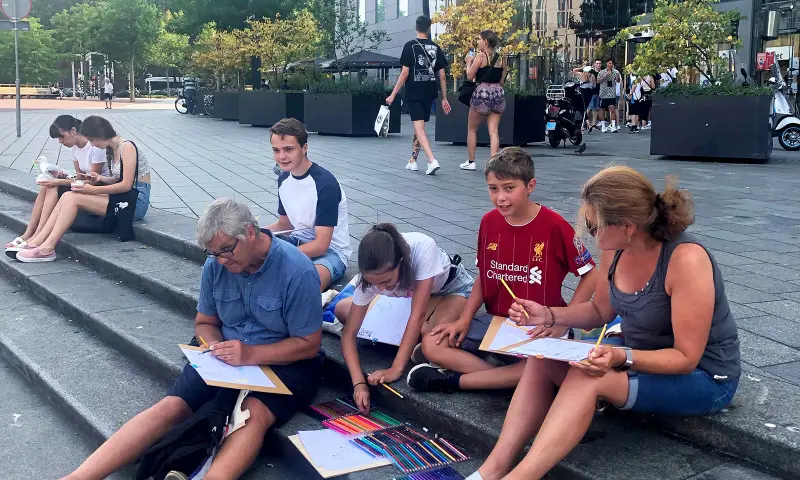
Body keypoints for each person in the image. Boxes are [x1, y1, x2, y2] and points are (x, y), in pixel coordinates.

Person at [466, 166, 740, 480]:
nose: (588, 232)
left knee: (589, 376)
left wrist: (619, 356)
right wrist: (550, 314)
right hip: (640, 352)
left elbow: (686, 358)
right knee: (542, 358)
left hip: (705, 376)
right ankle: (492, 469)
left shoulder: (686, 260)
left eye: (593, 226)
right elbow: (600, 312)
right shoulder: (615, 246)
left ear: (628, 226)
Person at [62, 199, 325, 480]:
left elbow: (309, 344)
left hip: (283, 360)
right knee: (171, 407)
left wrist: (250, 354)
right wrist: (212, 346)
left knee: (253, 415)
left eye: (226, 250)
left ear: (250, 232)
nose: (222, 260)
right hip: (225, 353)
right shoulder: (215, 265)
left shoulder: (296, 271)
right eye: (214, 253)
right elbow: (205, 323)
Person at [408, 147, 598, 393]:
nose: (501, 197)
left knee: (544, 365)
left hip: (540, 326)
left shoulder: (554, 225)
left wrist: (562, 321)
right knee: (432, 343)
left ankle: (481, 377)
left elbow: (590, 274)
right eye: (493, 189)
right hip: (496, 322)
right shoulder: (489, 222)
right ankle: (502, 378)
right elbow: (483, 277)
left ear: (530, 186)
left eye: (509, 188)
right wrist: (464, 319)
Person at [337, 223, 474, 412]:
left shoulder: (423, 246)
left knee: (435, 336)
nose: (382, 288)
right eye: (375, 284)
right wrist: (358, 383)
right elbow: (349, 334)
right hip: (409, 297)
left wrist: (395, 369)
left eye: (386, 281)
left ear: (401, 263)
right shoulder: (371, 278)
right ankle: (414, 344)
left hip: (451, 291)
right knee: (342, 310)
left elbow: (416, 316)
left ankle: (419, 343)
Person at [16, 116, 151, 262]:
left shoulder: (128, 147)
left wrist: (92, 190)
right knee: (68, 196)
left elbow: (126, 185)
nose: (92, 145)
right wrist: (100, 179)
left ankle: (47, 248)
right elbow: (117, 179)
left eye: (92, 140)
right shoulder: (112, 149)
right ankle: (36, 242)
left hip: (136, 201)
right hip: (124, 197)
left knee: (74, 197)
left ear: (101, 134)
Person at [264, 118, 352, 291]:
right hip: (298, 241)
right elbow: (285, 224)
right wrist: (253, 232)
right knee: (247, 255)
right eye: (276, 150)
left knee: (306, 285)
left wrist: (282, 256)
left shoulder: (325, 184)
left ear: (304, 148)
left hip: (332, 252)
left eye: (288, 149)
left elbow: (321, 245)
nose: (282, 156)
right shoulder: (283, 179)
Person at [4, 115, 110, 256]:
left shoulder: (95, 147)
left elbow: (93, 181)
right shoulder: (74, 149)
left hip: (100, 190)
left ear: (73, 131)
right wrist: (63, 177)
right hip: (86, 187)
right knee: (48, 185)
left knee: (53, 185)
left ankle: (38, 237)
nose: (60, 141)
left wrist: (60, 182)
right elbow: (80, 177)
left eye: (61, 136)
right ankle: (29, 234)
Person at [386, 15, 452, 175]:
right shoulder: (436, 48)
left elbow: (404, 74)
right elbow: (442, 75)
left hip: (414, 91)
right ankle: (413, 160)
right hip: (430, 92)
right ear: (429, 28)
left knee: (419, 128)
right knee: (419, 127)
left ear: (416, 27)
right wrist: (444, 97)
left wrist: (393, 94)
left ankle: (432, 160)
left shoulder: (409, 46)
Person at [461, 30, 507, 171]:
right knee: (493, 131)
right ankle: (493, 164)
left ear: (486, 42)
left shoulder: (480, 56)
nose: (478, 42)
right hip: (497, 93)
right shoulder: (502, 58)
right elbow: (502, 79)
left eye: (479, 39)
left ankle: (471, 161)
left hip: (482, 93)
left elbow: (470, 76)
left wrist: (468, 62)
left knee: (472, 129)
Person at [596, 59, 621, 133]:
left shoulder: (616, 72)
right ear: (607, 63)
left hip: (611, 93)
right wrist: (605, 75)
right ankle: (603, 126)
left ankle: (613, 126)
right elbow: (598, 81)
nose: (611, 65)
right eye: (609, 63)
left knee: (612, 109)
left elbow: (618, 81)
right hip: (603, 93)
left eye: (612, 63)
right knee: (602, 109)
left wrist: (617, 77)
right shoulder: (601, 72)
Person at [572, 62, 595, 131]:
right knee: (584, 108)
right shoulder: (592, 75)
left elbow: (574, 70)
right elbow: (594, 85)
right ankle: (588, 124)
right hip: (589, 92)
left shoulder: (583, 75)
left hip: (583, 92)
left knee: (582, 108)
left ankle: (586, 124)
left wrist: (581, 68)